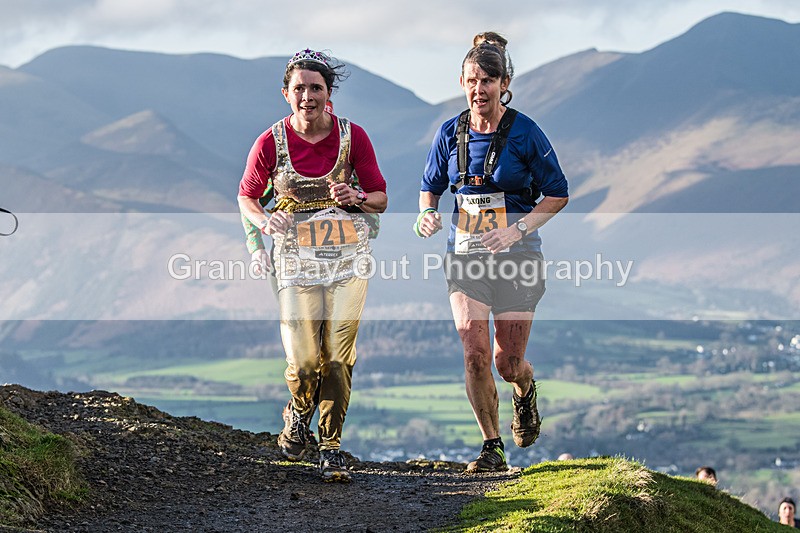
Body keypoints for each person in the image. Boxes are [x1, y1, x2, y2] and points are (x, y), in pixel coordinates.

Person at [415, 32, 569, 472]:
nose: (478, 90)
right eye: (470, 81)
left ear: (504, 84)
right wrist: (427, 214)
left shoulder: (526, 133)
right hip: (465, 258)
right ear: (461, 83)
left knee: (507, 362)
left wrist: (517, 230)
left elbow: (557, 193)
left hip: (518, 260)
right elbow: (431, 187)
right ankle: (492, 447)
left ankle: (526, 388)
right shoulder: (449, 132)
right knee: (475, 354)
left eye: (486, 81)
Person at [238, 48, 387, 482]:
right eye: (299, 88)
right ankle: (299, 408)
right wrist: (265, 221)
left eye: (316, 88)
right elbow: (246, 196)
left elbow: (380, 197)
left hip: (348, 260)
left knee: (337, 358)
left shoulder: (353, 137)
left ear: (329, 94)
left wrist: (356, 197)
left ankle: (331, 445)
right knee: (304, 362)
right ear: (286, 94)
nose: (308, 96)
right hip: (295, 263)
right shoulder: (270, 141)